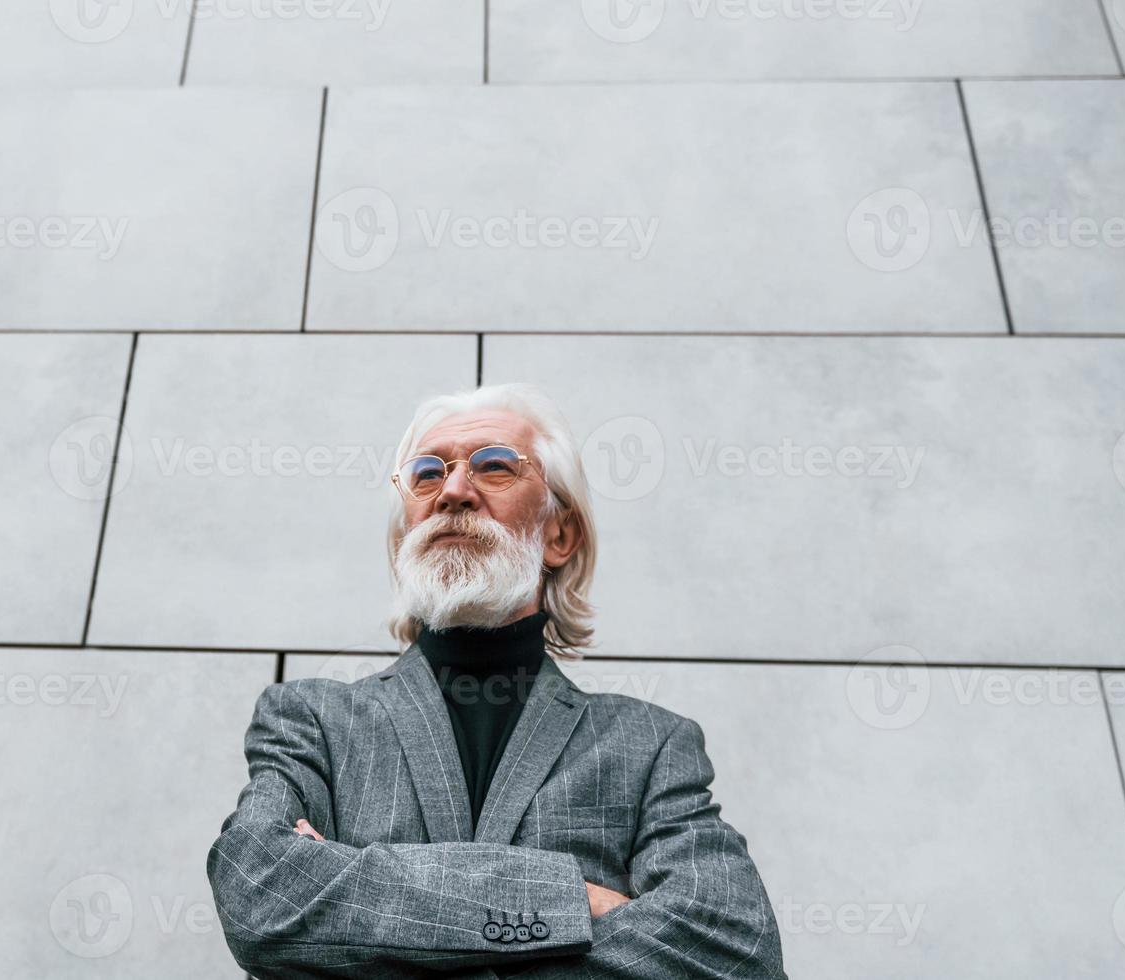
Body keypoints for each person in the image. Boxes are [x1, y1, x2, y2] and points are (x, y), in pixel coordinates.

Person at [207, 382, 786, 978]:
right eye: (428, 474)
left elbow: (735, 951)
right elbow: (263, 898)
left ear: (559, 535)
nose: (455, 490)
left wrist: (366, 914)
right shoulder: (313, 720)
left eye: (494, 467)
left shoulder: (648, 744)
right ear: (406, 530)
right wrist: (576, 900)